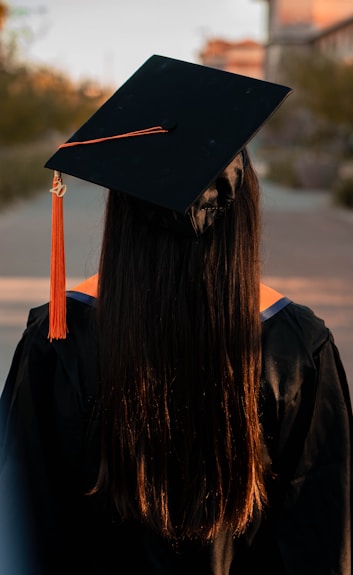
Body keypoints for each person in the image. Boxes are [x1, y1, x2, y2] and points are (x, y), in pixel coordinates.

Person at [0, 55, 351, 575]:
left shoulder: (58, 339)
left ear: (120, 215)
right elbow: (321, 540)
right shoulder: (297, 348)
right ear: (244, 210)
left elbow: (20, 525)